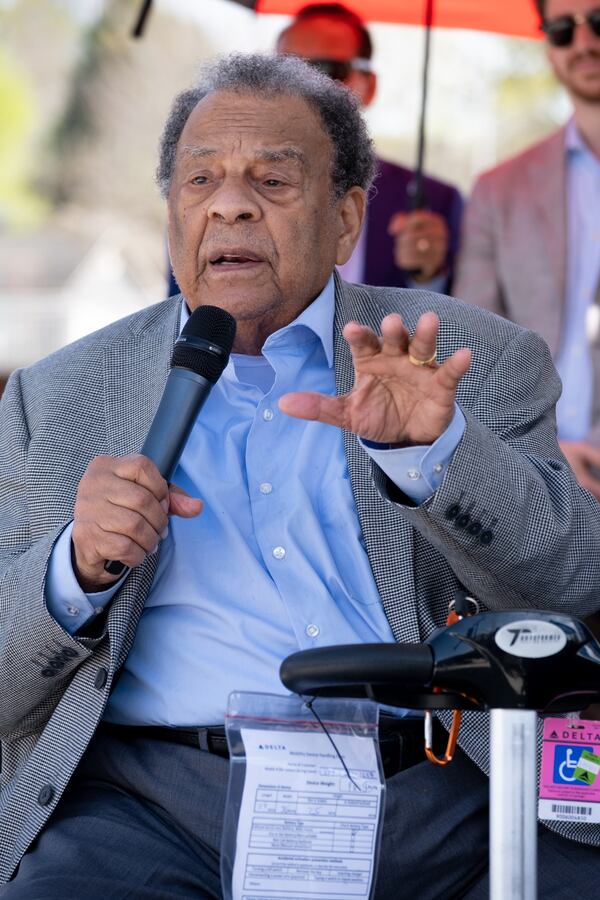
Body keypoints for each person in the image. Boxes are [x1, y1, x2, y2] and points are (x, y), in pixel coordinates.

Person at [0, 53, 598, 899]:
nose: (230, 203)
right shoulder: (57, 396)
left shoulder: (469, 357)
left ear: (347, 217)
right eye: (200, 178)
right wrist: (75, 567)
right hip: (153, 808)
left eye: (272, 181)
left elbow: (572, 583)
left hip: (442, 787)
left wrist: (432, 455)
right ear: (172, 210)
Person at [167, 3, 464, 298]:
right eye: (283, 71)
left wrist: (428, 278)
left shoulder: (435, 202)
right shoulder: (207, 188)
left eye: (325, 71)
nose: (301, 90)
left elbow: (462, 326)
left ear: (369, 85)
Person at [454, 0, 600, 500]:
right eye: (562, 29)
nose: (583, 42)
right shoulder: (499, 189)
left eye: (598, 21)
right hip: (534, 479)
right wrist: (546, 449)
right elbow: (472, 346)